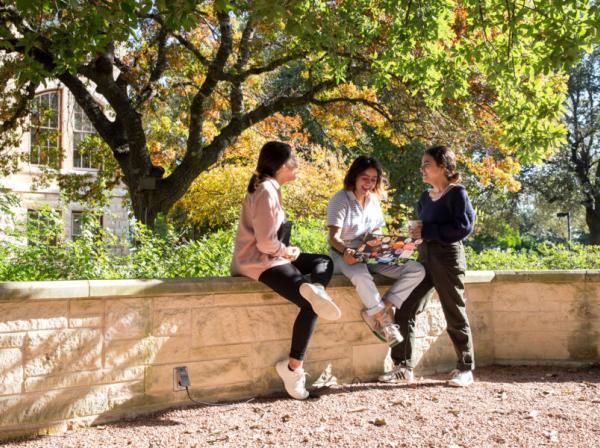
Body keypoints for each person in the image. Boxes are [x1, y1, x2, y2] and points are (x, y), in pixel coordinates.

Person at [231, 141, 341, 400]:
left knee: (323, 262)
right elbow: (266, 243)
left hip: (273, 258)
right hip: (259, 262)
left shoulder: (270, 188)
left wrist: (286, 253)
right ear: (281, 164)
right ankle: (293, 368)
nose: (297, 164)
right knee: (309, 305)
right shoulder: (267, 190)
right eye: (294, 159)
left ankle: (317, 291)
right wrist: (289, 252)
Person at [379, 145, 476, 387]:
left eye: (427, 164)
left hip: (448, 259)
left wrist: (428, 231)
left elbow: (464, 227)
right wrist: (415, 236)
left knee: (454, 312)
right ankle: (403, 367)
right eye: (422, 164)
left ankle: (465, 368)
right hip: (424, 259)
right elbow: (423, 230)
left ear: (442, 167)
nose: (421, 168)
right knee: (406, 308)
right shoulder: (424, 198)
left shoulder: (457, 194)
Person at [326, 155, 425, 347]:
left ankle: (381, 309)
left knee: (416, 270)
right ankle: (384, 321)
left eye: (373, 179)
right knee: (362, 275)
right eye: (365, 178)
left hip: (371, 252)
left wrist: (378, 241)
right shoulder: (340, 199)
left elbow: (378, 229)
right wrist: (347, 251)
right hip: (343, 254)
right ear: (354, 176)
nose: (369, 184)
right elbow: (333, 238)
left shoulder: (373, 200)